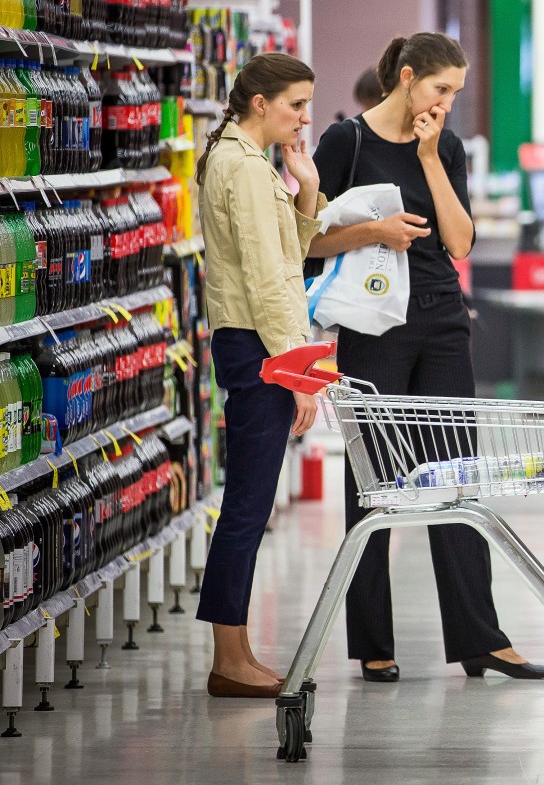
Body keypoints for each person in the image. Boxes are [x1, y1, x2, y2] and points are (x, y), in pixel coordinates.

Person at [308, 32, 544, 683]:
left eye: (455, 94)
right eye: (442, 89)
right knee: (374, 484)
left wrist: (431, 159)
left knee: (457, 480)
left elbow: (462, 241)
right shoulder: (346, 143)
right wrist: (375, 232)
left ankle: (481, 639)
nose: (448, 103)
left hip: (443, 316)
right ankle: (373, 644)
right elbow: (308, 238)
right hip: (373, 322)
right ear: (409, 77)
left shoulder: (446, 145)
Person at [194, 53, 325, 698]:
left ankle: (236, 648)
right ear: (258, 102)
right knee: (248, 502)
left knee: (252, 500)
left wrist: (305, 189)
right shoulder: (241, 167)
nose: (303, 117)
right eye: (295, 104)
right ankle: (227, 657)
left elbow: (288, 256)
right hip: (257, 346)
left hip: (256, 342)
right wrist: (297, 368)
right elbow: (268, 280)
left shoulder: (248, 161)